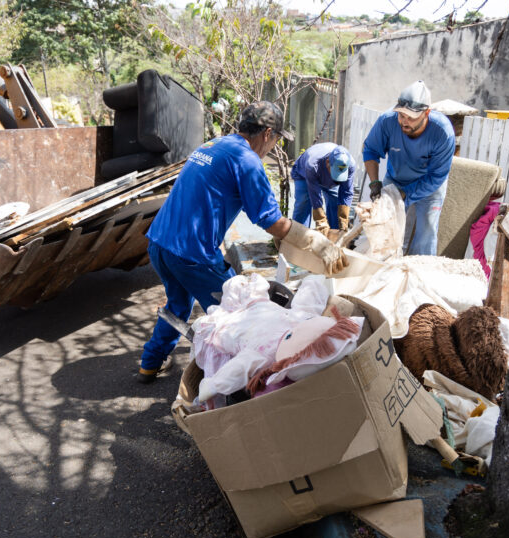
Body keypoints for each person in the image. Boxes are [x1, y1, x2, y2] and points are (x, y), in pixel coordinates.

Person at [136, 101, 349, 383]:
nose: (273, 147)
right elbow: (270, 221)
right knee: (239, 313)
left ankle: (149, 364)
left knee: (178, 303)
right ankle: (233, 383)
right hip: (191, 254)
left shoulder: (215, 145)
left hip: (160, 243)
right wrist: (317, 242)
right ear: (267, 133)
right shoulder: (246, 160)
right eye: (275, 140)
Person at [362, 81, 455, 256]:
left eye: (411, 117)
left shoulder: (443, 132)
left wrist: (407, 194)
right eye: (401, 115)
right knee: (388, 228)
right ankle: (386, 268)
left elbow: (437, 176)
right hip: (396, 180)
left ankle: (420, 272)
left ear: (426, 113)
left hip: (429, 185)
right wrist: (375, 183)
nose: (404, 122)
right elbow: (370, 150)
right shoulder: (387, 121)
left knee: (426, 228)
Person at [290, 143, 356, 236]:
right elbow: (314, 195)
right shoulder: (312, 165)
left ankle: (334, 237)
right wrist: (320, 219)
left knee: (335, 200)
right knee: (303, 201)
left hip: (325, 177)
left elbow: (347, 192)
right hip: (303, 174)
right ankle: (298, 237)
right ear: (328, 162)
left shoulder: (350, 164)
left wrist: (343, 218)